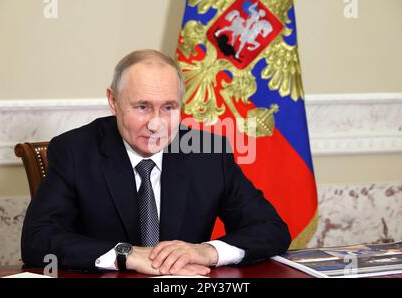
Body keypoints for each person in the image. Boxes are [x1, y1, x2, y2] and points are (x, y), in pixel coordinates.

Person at [21, 49, 291, 276]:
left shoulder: (209, 153)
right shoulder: (75, 151)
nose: (156, 124)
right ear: (113, 101)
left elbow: (272, 230)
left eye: (169, 108)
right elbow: (36, 240)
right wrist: (126, 255)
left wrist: (207, 251)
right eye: (142, 107)